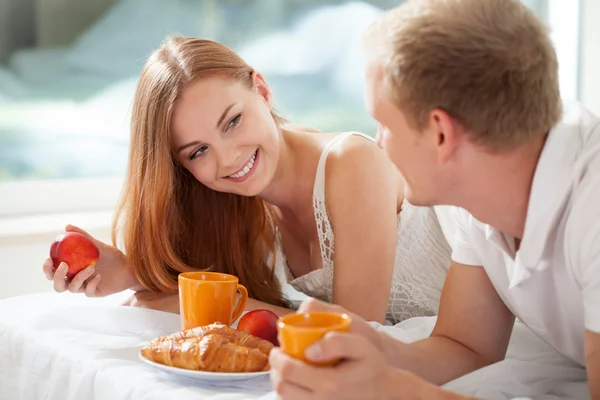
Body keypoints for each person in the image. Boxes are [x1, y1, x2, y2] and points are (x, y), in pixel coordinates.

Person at [269, 0, 600, 398]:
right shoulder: (486, 191)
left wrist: (393, 391)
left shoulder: (591, 208)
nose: (377, 142)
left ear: (440, 133)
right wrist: (376, 348)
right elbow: (467, 347)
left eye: (384, 124)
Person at [42, 36, 452, 324]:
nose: (229, 157)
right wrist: (136, 272)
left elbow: (355, 332)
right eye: (198, 151)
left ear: (262, 89)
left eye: (233, 121)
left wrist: (194, 300)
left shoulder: (351, 163)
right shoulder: (241, 203)